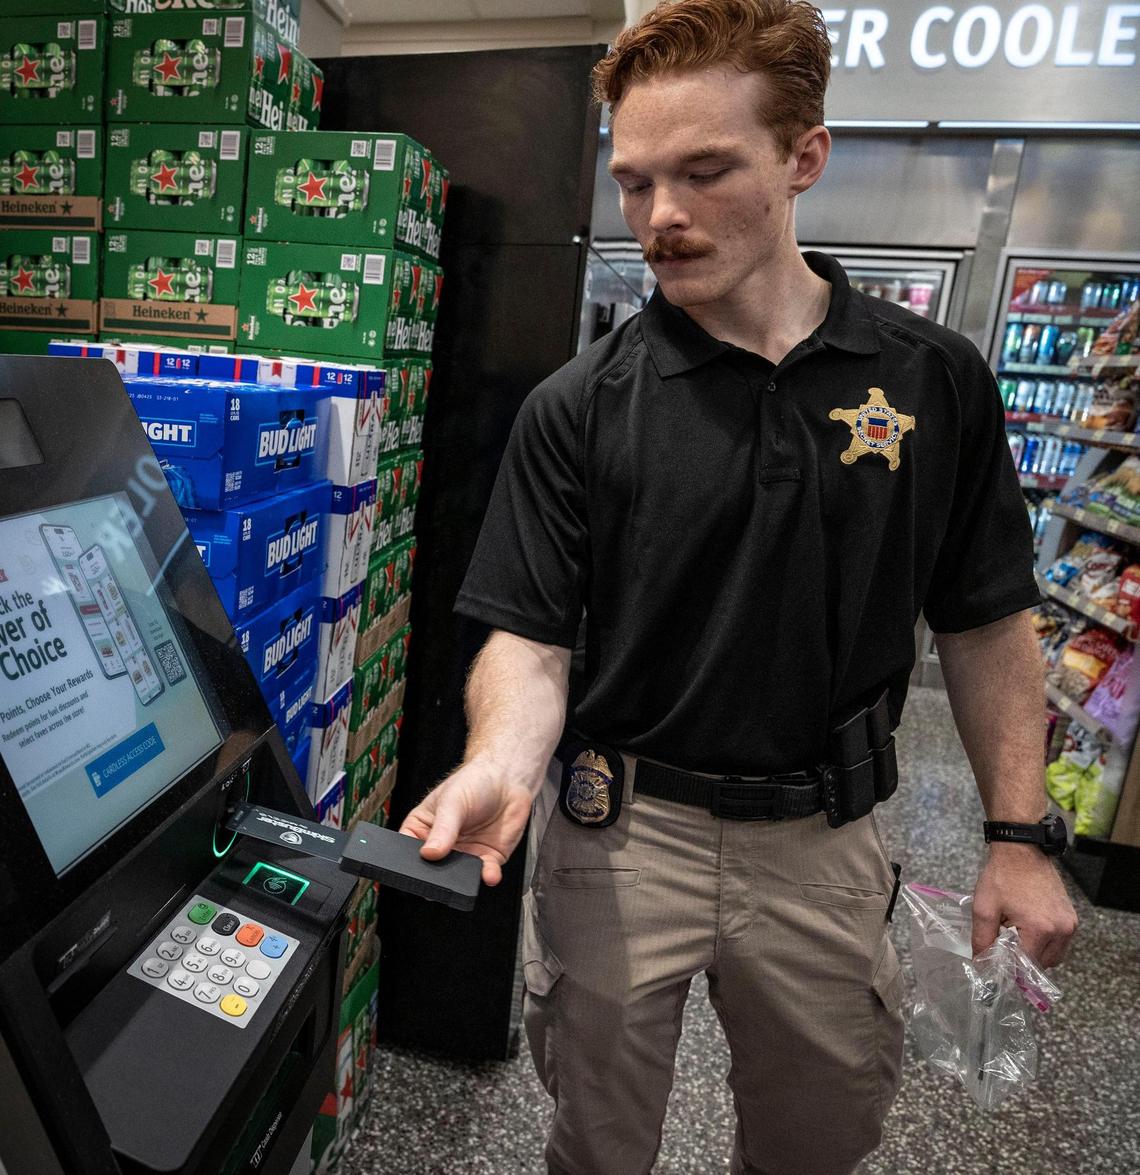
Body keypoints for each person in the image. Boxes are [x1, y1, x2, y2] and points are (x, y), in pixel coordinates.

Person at [401, 1, 1079, 1171]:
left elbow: (983, 617)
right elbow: (530, 637)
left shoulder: (933, 381)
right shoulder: (580, 406)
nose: (661, 217)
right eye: (635, 182)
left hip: (830, 837)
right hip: (622, 837)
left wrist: (1018, 833)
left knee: (817, 1137)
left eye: (705, 171)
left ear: (802, 157)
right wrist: (499, 764)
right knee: (596, 1141)